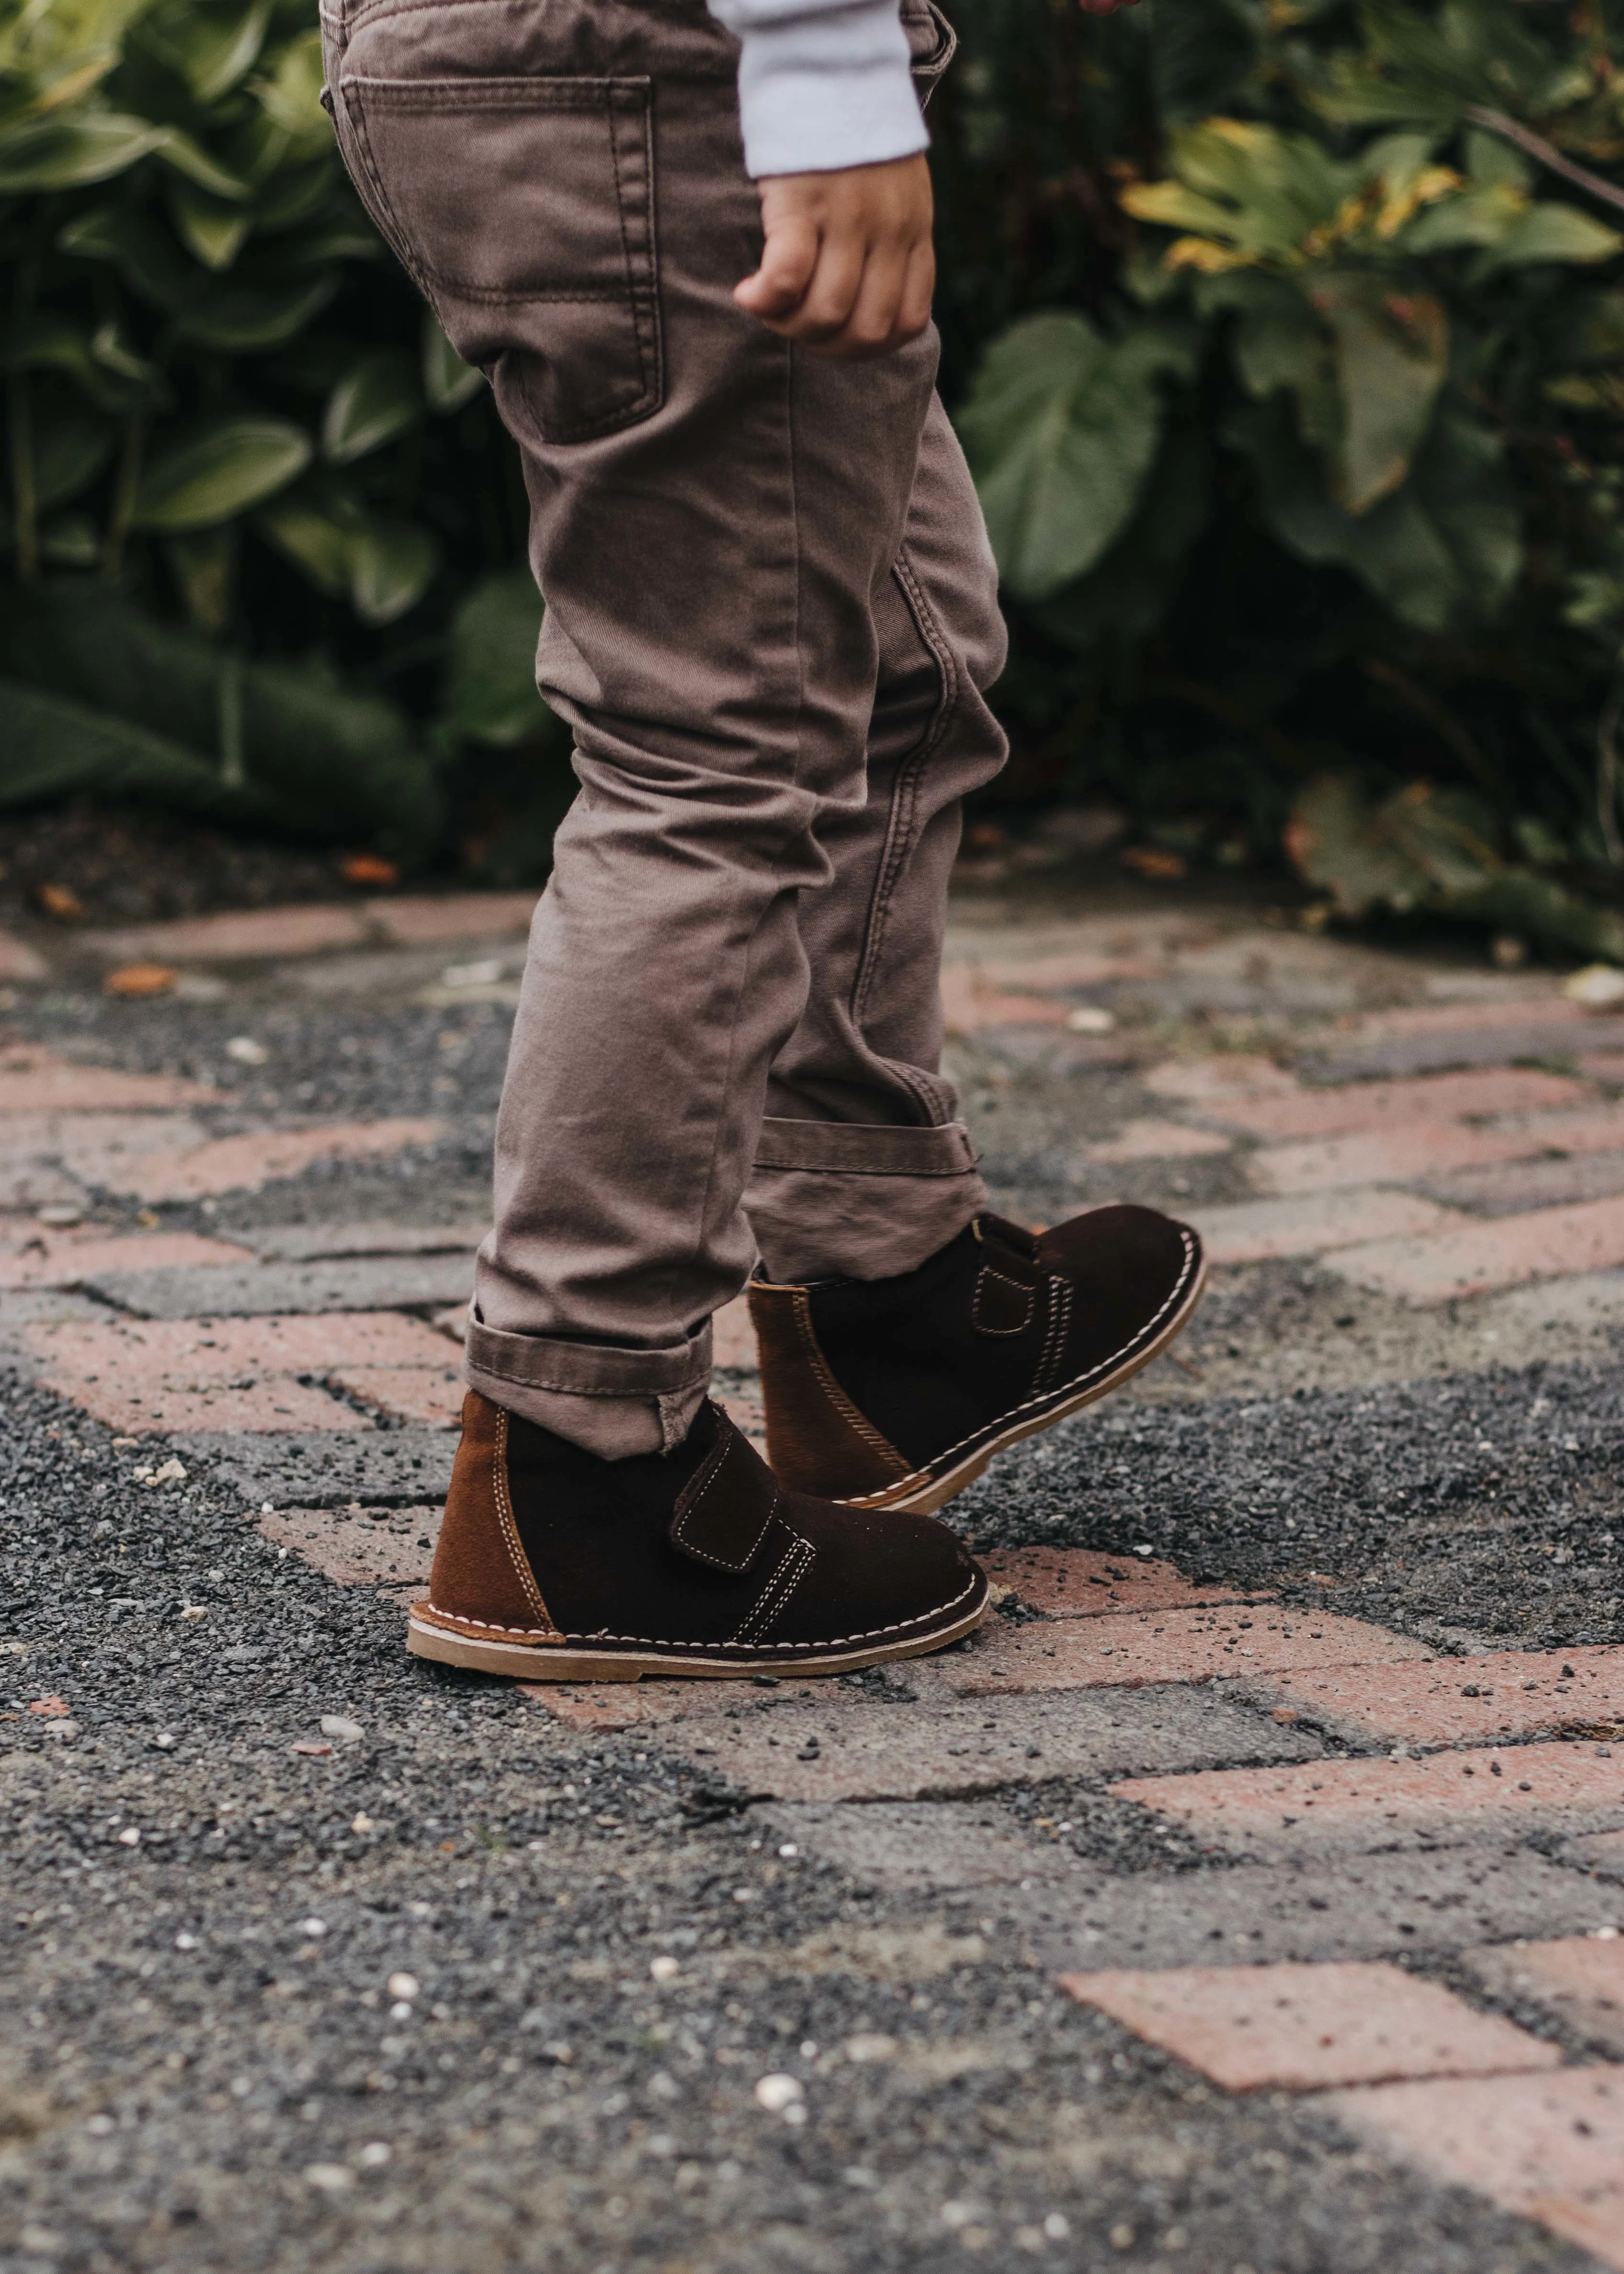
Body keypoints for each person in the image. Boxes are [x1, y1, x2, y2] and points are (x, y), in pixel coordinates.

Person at [320, 0, 1194, 1682]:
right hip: (674, 75)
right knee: (707, 756)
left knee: (894, 658)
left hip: (521, 61)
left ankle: (888, 1296)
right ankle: (585, 1481)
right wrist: (825, 66)